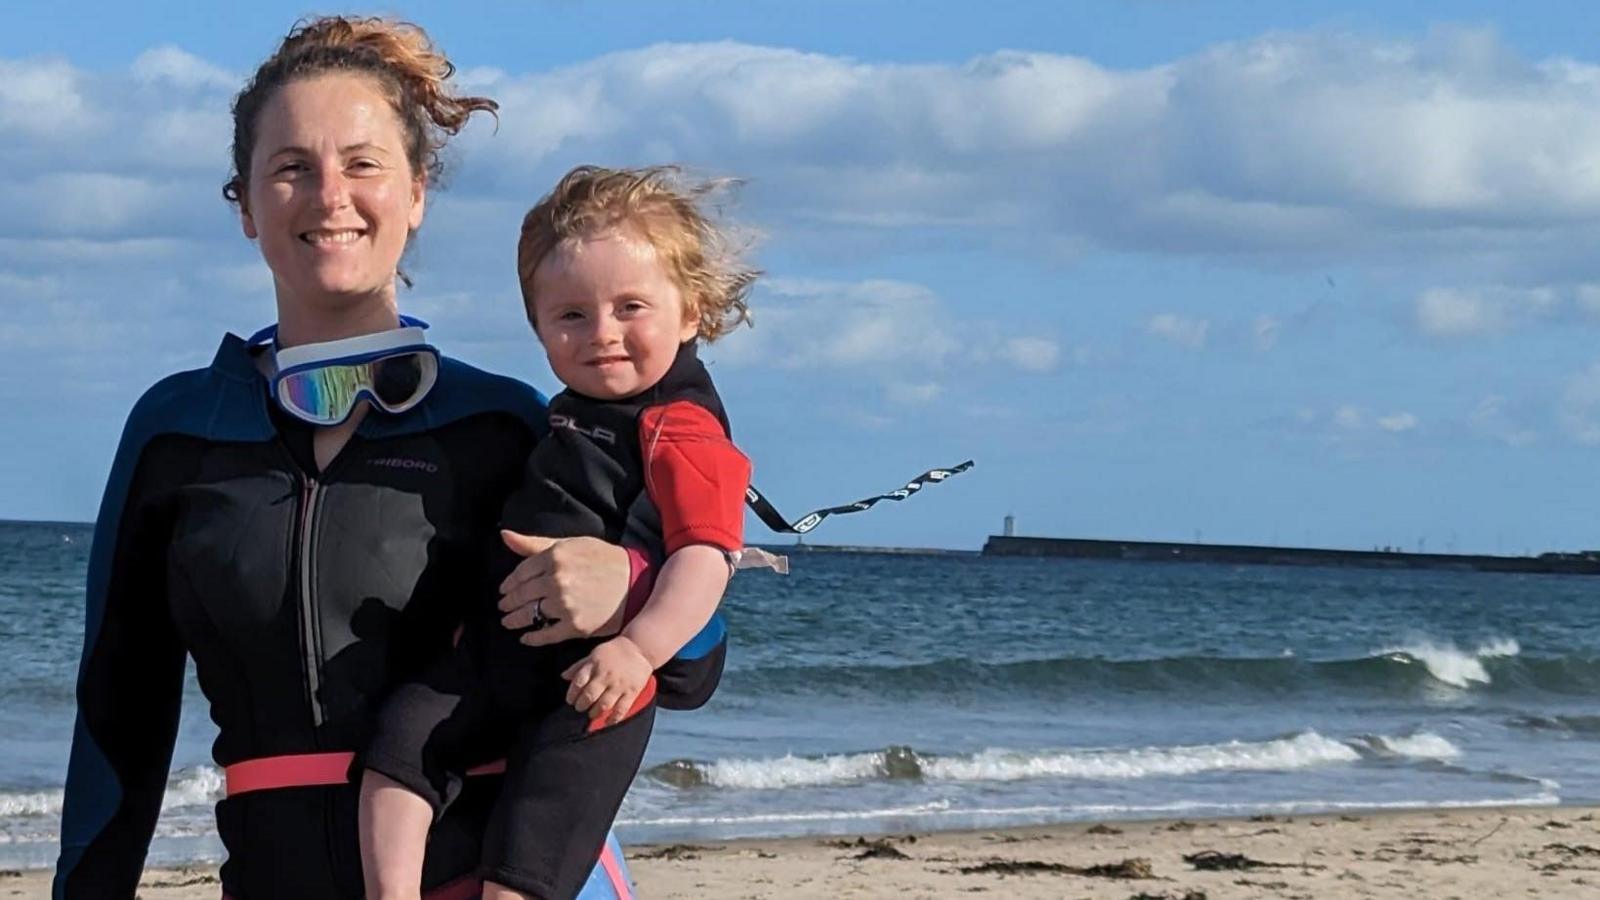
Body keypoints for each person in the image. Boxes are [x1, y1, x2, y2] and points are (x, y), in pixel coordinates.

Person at [52, 17, 711, 900]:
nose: (330, 196)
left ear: (416, 194)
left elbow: (693, 666)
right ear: (244, 204)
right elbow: (116, 721)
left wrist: (627, 583)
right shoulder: (178, 432)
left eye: (364, 165)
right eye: (291, 168)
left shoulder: (508, 424)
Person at [358, 166, 756, 900]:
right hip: (496, 657)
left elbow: (705, 560)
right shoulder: (565, 412)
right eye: (571, 315)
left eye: (631, 307)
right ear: (538, 324)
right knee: (398, 749)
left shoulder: (684, 426)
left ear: (691, 312)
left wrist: (639, 649)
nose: (602, 333)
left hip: (597, 687)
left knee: (525, 858)